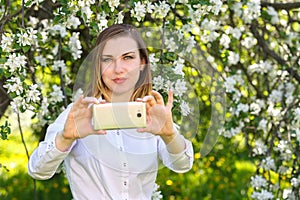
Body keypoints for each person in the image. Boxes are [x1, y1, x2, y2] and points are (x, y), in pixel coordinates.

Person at [28, 24, 194, 200]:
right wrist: (65, 138)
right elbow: (38, 170)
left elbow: (182, 164)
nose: (118, 69)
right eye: (107, 59)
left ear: (142, 63)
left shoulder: (152, 114)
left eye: (128, 57)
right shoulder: (79, 114)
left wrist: (169, 135)